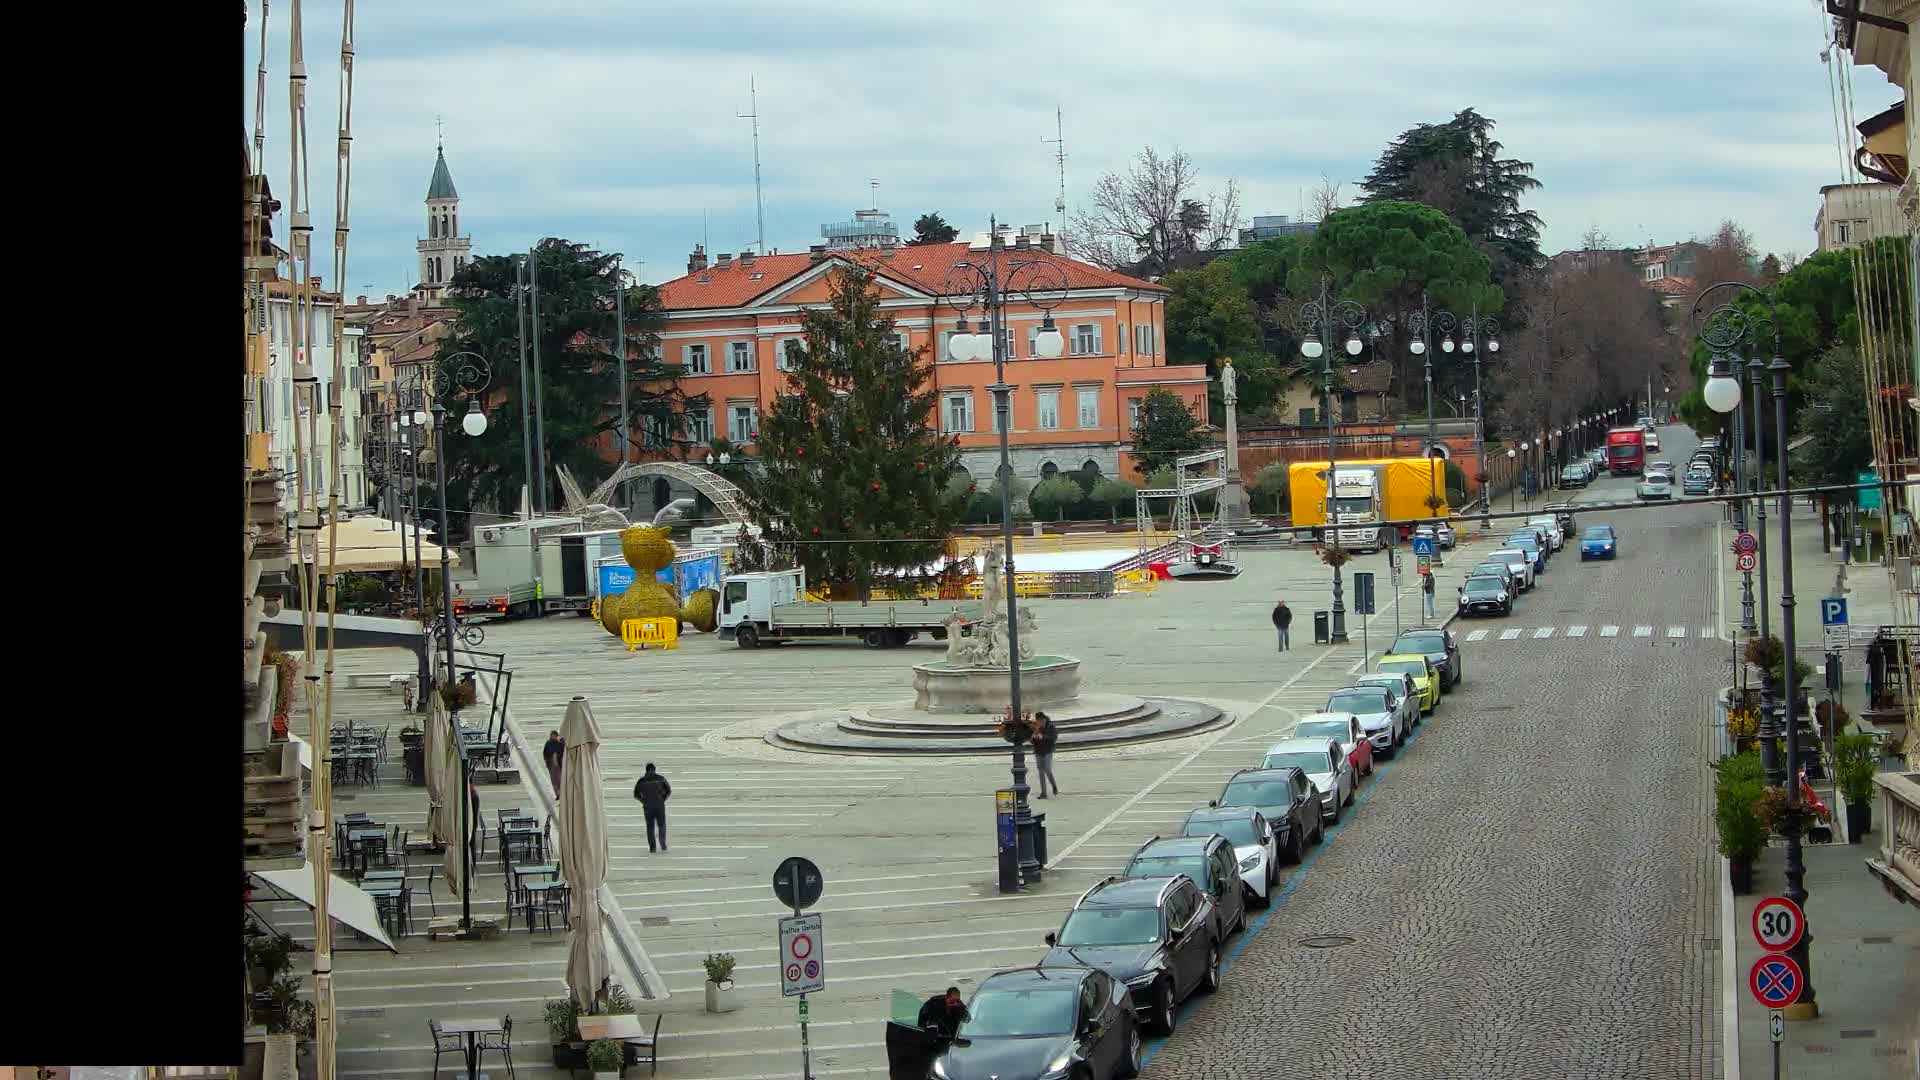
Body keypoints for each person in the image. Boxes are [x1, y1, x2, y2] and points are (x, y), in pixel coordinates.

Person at [633, 763, 672, 852]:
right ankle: (663, 844)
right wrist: (663, 799)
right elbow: (669, 791)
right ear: (654, 769)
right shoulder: (661, 778)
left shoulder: (641, 781)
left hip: (648, 807)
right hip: (659, 805)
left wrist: (643, 800)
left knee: (650, 827)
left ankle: (652, 847)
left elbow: (636, 794)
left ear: (646, 770)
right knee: (661, 825)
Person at [1030, 711, 1061, 798]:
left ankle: (1054, 786)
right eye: (1038, 721)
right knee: (1041, 772)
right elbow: (1032, 741)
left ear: (1044, 719)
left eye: (1040, 720)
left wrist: (1043, 737)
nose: (1039, 722)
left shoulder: (1051, 727)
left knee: (1047, 769)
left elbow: (1054, 738)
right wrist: (1033, 737)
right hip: (1038, 751)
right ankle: (1043, 793)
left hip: (1048, 750)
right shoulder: (1036, 728)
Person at [542, 730, 565, 796]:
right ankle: (558, 794)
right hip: (551, 764)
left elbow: (563, 750)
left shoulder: (560, 743)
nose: (553, 737)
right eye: (552, 736)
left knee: (560, 779)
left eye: (554, 736)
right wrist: (546, 762)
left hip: (559, 764)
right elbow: (545, 753)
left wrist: (561, 741)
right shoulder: (548, 743)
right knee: (554, 780)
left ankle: (561, 793)